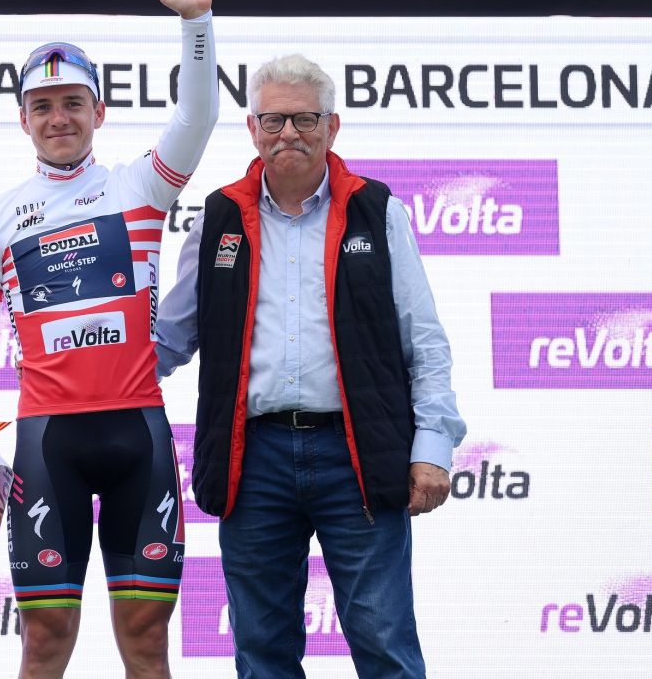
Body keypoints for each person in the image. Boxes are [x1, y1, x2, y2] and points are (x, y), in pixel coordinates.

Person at [0, 0, 217, 679]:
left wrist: (196, 22)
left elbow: (197, 118)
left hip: (138, 439)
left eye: (73, 104)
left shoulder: (139, 189)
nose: (59, 117)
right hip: (47, 445)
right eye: (43, 106)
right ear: (23, 119)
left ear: (99, 111)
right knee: (45, 642)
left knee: (146, 642)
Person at [154, 54, 466, 679]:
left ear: (332, 126)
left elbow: (424, 343)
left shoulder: (378, 211)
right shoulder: (217, 218)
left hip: (358, 454)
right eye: (273, 120)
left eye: (305, 119)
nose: (288, 133)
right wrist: (80, 365)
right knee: (262, 654)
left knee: (385, 647)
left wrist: (433, 445)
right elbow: (170, 339)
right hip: (253, 460)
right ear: (252, 129)